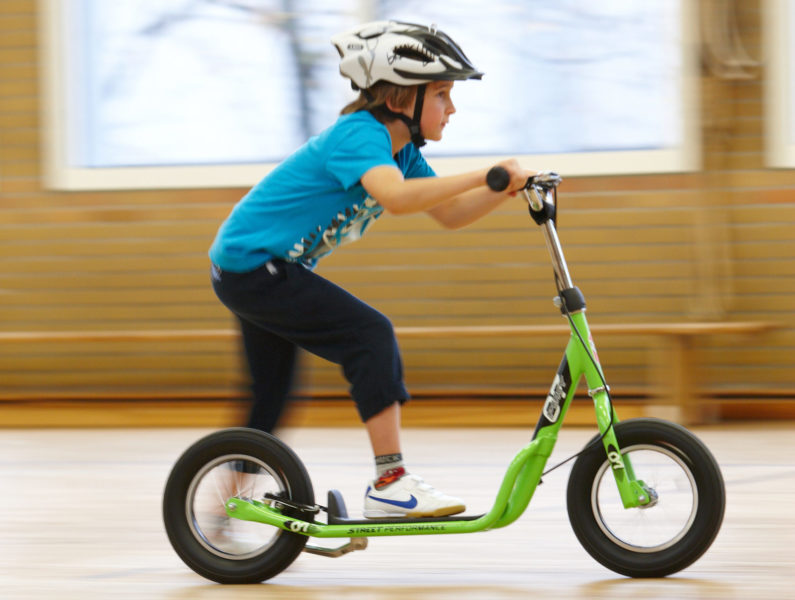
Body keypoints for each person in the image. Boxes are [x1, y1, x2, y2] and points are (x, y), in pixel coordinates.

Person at [209, 20, 534, 519]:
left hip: (254, 269)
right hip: (254, 267)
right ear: (403, 100)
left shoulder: (399, 150)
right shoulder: (360, 135)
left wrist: (503, 189)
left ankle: (225, 510)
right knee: (370, 334)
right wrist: (485, 172)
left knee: (271, 397)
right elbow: (398, 199)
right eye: (443, 94)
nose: (452, 108)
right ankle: (390, 481)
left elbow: (449, 214)